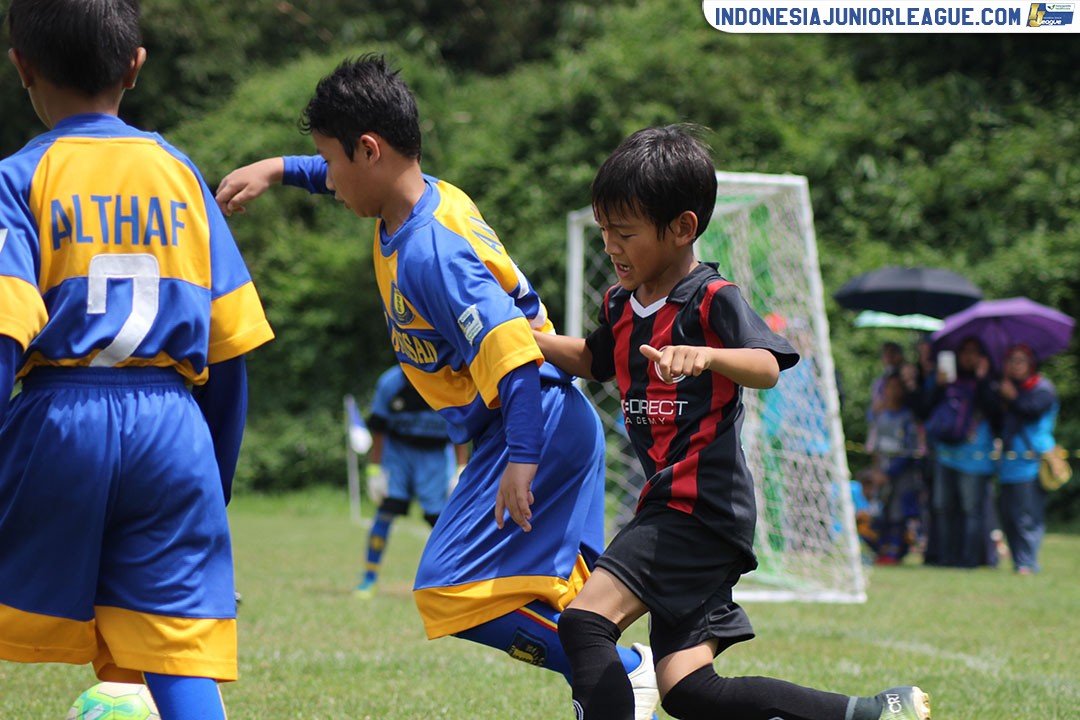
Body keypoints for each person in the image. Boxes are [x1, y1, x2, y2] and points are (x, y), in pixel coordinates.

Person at [214, 55, 660, 719]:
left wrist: (520, 461)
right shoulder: (410, 201)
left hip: (530, 417)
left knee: (450, 588)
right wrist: (276, 170)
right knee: (561, 596)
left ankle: (622, 670)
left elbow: (511, 355)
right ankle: (609, 687)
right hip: (537, 419)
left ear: (369, 150)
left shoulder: (432, 251)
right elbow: (336, 175)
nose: (328, 180)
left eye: (329, 162)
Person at [532, 125, 931, 720]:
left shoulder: (712, 298)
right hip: (687, 515)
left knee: (586, 622)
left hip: (696, 508)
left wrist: (710, 356)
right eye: (604, 230)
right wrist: (521, 341)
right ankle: (872, 713)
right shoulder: (620, 305)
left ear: (683, 228)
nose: (611, 246)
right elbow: (593, 360)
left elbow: (768, 365)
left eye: (625, 232)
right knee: (689, 691)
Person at [0, 2, 274, 718]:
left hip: (60, 418)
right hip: (175, 429)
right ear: (135, 65)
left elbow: (4, 333)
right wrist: (213, 478)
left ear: (20, 65)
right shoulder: (180, 175)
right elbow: (231, 349)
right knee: (175, 651)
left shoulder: (20, 177)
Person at [357, 365, 469, 598]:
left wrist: (461, 467)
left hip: (435, 458)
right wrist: (375, 470)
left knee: (439, 522)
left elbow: (461, 427)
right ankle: (369, 578)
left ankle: (455, 580)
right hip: (398, 455)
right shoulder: (390, 382)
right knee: (386, 513)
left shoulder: (449, 379)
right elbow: (379, 427)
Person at [921, 336, 1000, 568]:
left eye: (974, 352)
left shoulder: (988, 380)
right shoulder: (947, 380)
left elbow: (996, 414)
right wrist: (937, 384)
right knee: (943, 508)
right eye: (965, 351)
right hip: (945, 454)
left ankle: (969, 560)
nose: (969, 357)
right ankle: (945, 557)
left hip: (976, 458)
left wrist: (983, 380)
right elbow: (924, 410)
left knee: (971, 510)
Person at [995, 344, 1058, 575]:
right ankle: (1019, 561)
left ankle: (1028, 562)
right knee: (1009, 516)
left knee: (1027, 515)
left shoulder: (1043, 388)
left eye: (1020, 360)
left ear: (1031, 363)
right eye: (1011, 360)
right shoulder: (1009, 389)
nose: (1015, 365)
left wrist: (1011, 397)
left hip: (1032, 462)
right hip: (1008, 463)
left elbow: (1030, 411)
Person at [865, 371, 924, 564]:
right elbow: (875, 446)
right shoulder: (879, 415)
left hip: (901, 473)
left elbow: (910, 449)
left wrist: (890, 472)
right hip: (882, 473)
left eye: (897, 387)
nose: (893, 391)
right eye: (890, 387)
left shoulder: (907, 417)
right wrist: (877, 472)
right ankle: (881, 550)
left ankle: (895, 552)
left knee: (899, 513)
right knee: (882, 512)